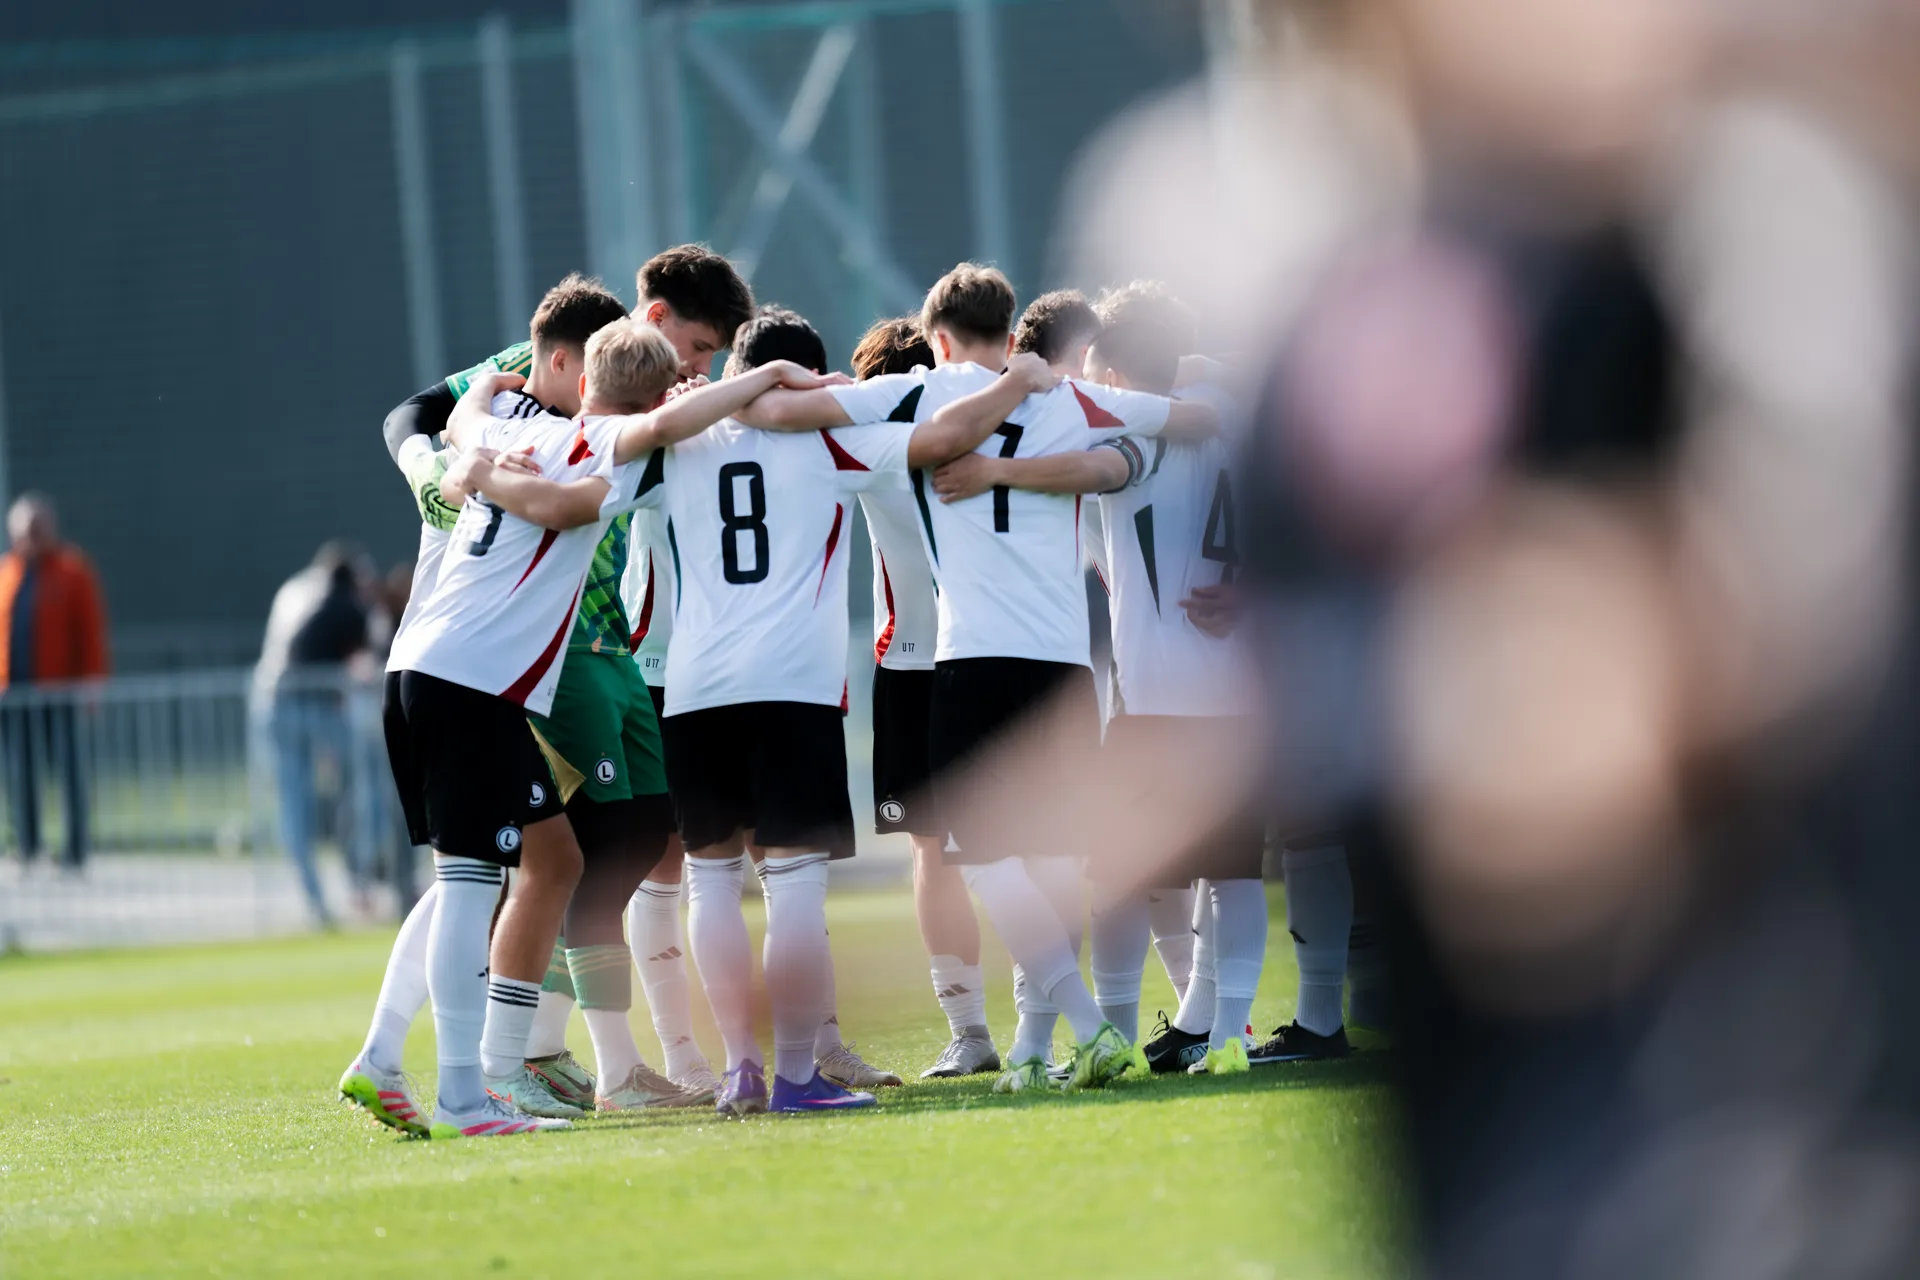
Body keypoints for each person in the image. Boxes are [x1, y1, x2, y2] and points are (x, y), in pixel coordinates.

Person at [736, 262, 1211, 1094]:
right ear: (1012, 329)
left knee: (982, 857)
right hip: (1065, 661)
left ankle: (1086, 1025)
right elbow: (1195, 419)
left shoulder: (919, 392)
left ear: (938, 337)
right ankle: (1032, 1042)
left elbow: (776, 414)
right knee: (1055, 857)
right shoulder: (1072, 398)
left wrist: (795, 382)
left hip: (976, 654)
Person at [633, 304, 1060, 1115]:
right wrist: (1018, 383)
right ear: (809, 375)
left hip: (693, 692)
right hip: (792, 687)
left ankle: (739, 1069)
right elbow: (941, 437)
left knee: (711, 884)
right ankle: (798, 1075)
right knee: (792, 885)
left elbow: (606, 461)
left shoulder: (678, 439)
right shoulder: (830, 441)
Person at [936, 284, 1276, 1075]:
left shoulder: (1145, 430)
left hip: (1155, 697)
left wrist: (993, 471)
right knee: (1234, 877)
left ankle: (1115, 1032)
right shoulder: (1237, 419)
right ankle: (1229, 1039)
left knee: (1117, 873)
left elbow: (1094, 467)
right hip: (1238, 697)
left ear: (1113, 369)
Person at [846, 316, 1001, 1080]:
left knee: (933, 853)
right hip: (991, 651)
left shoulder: (860, 440)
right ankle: (1050, 1022)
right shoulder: (987, 432)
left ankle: (970, 1032)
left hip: (911, 664)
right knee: (1022, 846)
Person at [255, 541, 376, 925]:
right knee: (354, 788)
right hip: (306, 706)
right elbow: (363, 663)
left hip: (281, 703)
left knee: (304, 803)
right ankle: (349, 886)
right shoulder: (347, 606)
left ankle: (322, 898)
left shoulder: (300, 593)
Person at [0, 494, 107, 871]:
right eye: (24, 531)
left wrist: (92, 682)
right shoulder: (7, 573)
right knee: (19, 775)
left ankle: (75, 850)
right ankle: (27, 846)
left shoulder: (72, 570)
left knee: (68, 773)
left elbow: (90, 631)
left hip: (59, 693)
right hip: (14, 697)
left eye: (37, 529)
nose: (30, 537)